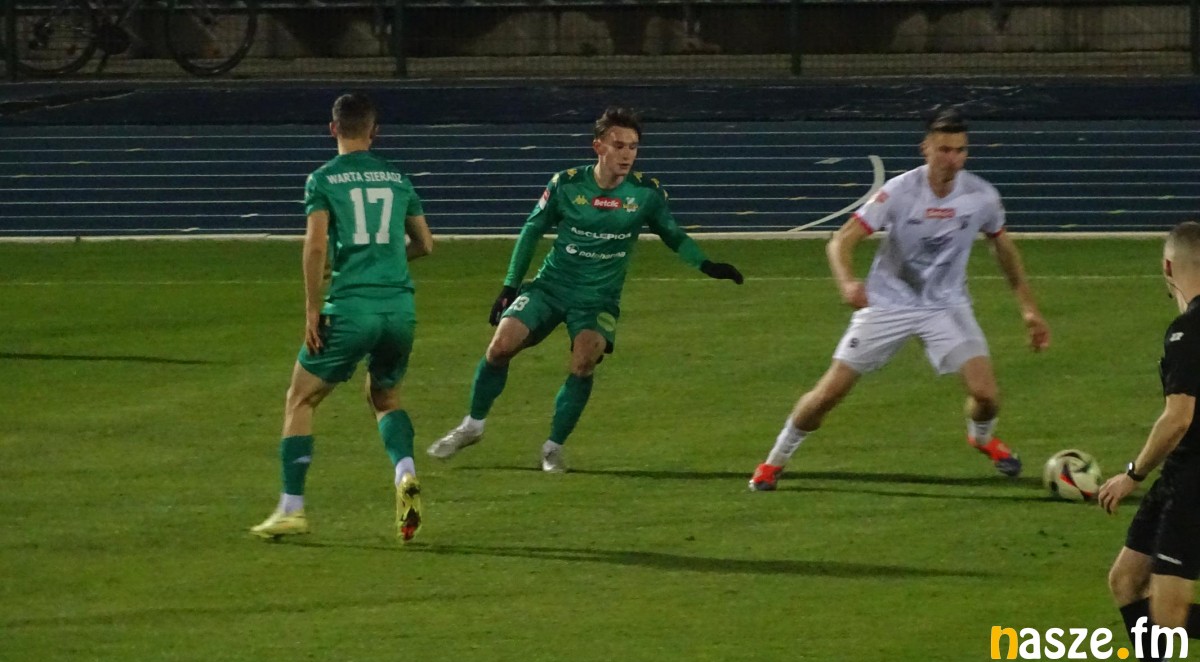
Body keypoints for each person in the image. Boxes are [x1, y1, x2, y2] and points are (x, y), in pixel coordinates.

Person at [425, 105, 744, 472]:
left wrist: (707, 265)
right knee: (499, 348)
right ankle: (472, 426)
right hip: (550, 287)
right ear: (598, 147)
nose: (627, 155)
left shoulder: (646, 194)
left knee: (583, 362)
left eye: (633, 147)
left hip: (598, 299)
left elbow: (673, 235)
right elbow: (531, 230)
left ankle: (552, 448)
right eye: (619, 145)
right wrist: (510, 285)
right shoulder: (566, 184)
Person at [747, 107, 1050, 492]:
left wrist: (1029, 309)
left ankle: (981, 437)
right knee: (829, 393)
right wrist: (847, 283)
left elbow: (1002, 248)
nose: (952, 159)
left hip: (946, 306)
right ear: (926, 149)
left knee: (987, 396)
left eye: (960, 151)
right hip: (889, 304)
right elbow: (841, 241)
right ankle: (773, 462)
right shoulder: (898, 192)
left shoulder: (981, 196)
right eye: (944, 150)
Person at [250, 93, 434, 543]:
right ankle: (405, 473)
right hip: (400, 310)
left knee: (300, 399)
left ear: (333, 128)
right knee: (385, 397)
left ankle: (291, 508)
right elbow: (426, 245)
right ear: (375, 132)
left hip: (351, 308)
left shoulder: (323, 179)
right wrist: (387, 264)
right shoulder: (397, 177)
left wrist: (313, 308)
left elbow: (315, 246)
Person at [1099, 221, 1200, 662]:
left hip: (1193, 478)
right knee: (1126, 580)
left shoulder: (1187, 331)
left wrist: (1132, 474)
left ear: (1167, 267)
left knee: (1168, 615)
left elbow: (1178, 419)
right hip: (1179, 474)